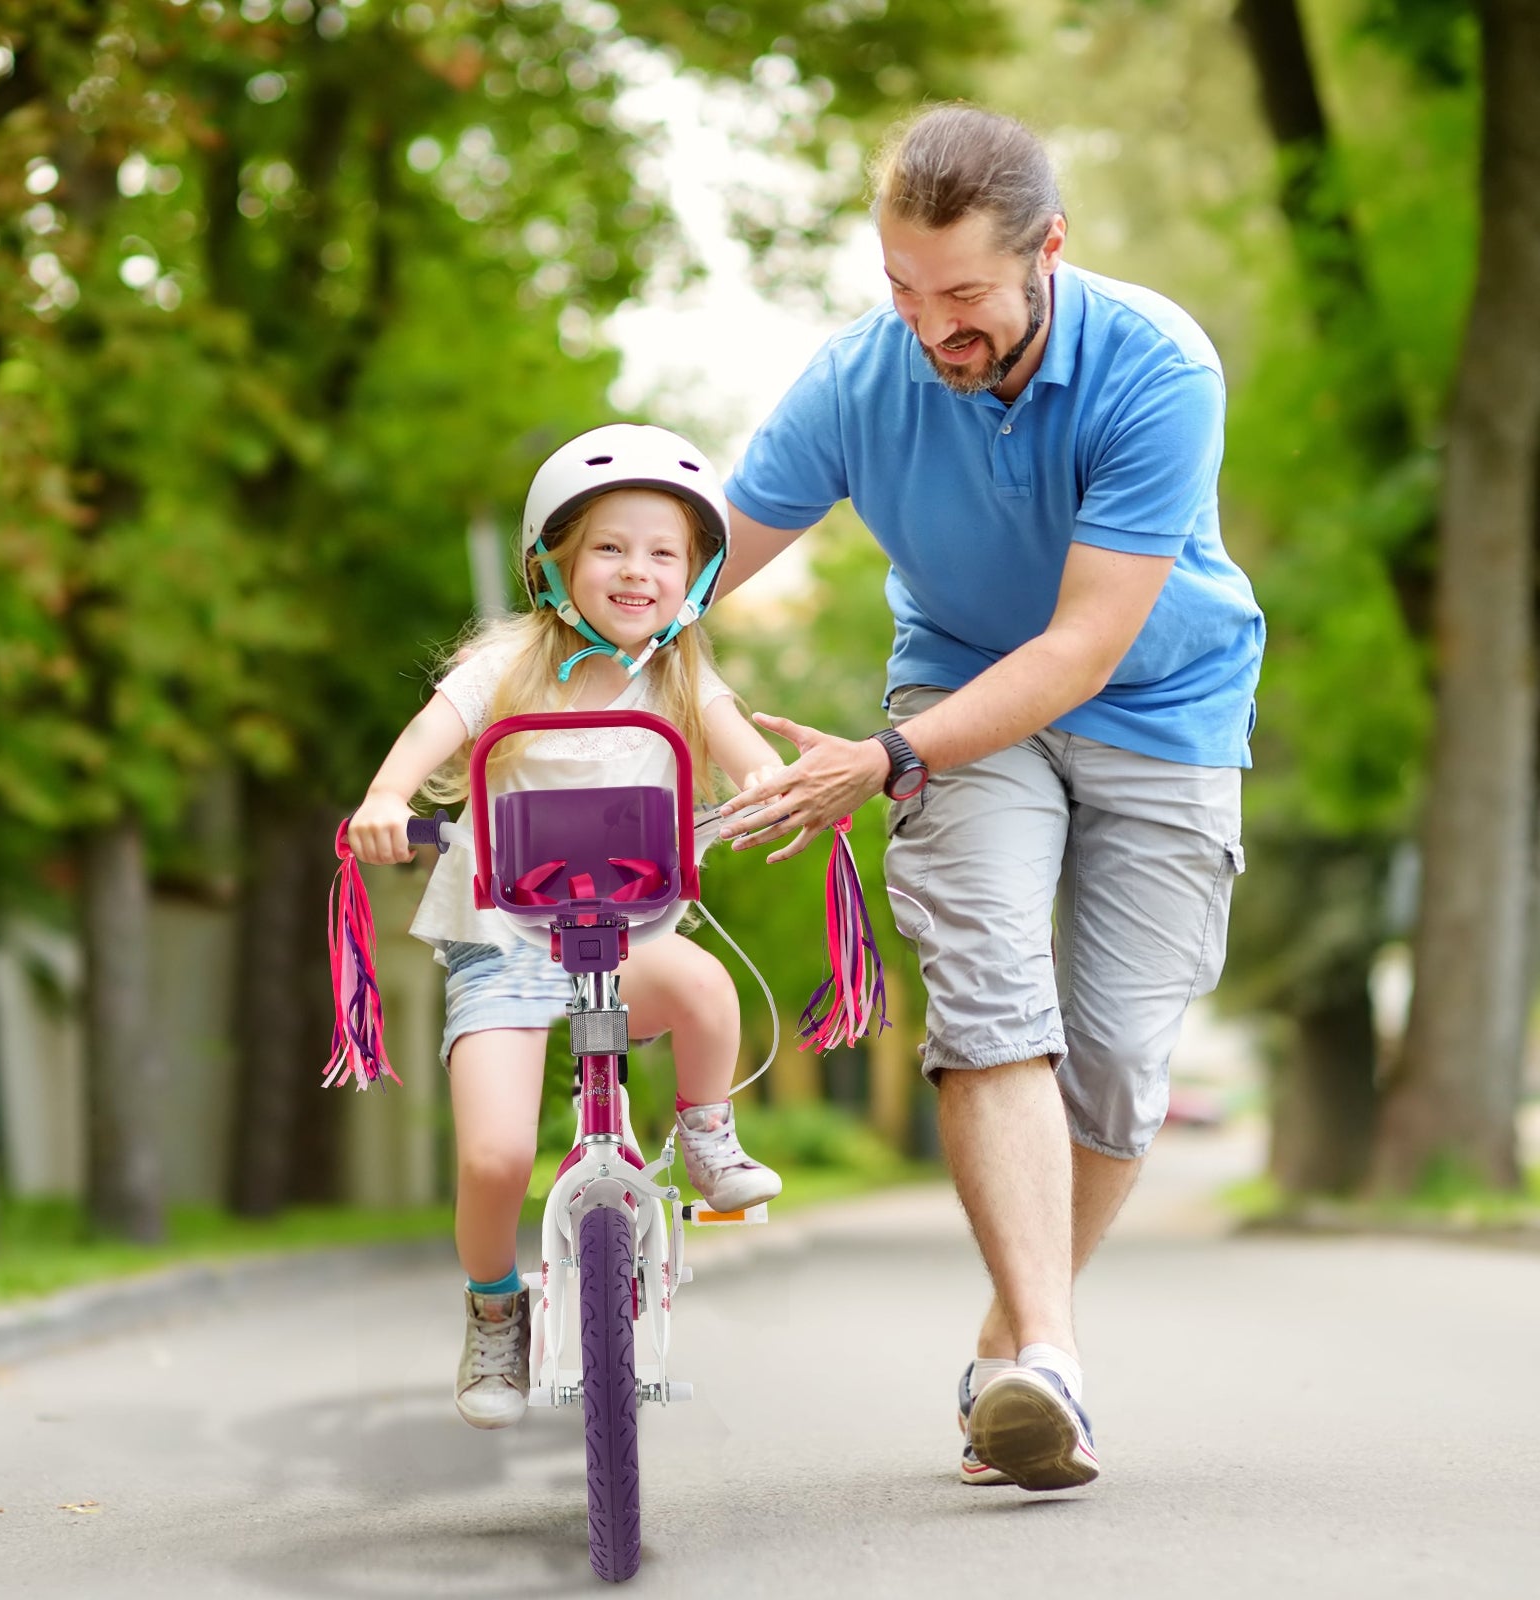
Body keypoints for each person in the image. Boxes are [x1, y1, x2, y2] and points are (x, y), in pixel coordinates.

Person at [715, 104, 1264, 1491]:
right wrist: (576, 612)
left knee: (1124, 1061)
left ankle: (1013, 1349)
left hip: (1161, 704)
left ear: (1048, 254)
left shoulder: (1157, 366)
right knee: (989, 998)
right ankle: (1051, 1372)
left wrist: (879, 762)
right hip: (959, 698)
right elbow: (700, 558)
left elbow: (1085, 645)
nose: (929, 326)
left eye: (961, 295)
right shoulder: (861, 378)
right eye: (901, 287)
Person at [346, 424, 785, 1430]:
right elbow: (432, 732)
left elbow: (744, 752)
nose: (638, 570)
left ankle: (707, 1137)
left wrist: (773, 788)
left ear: (697, 573)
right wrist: (387, 794)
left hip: (625, 934)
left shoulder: (681, 673)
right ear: (555, 561)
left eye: (663, 552)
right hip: (504, 937)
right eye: (610, 547)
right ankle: (496, 1308)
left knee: (706, 989)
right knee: (495, 1158)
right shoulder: (510, 660)